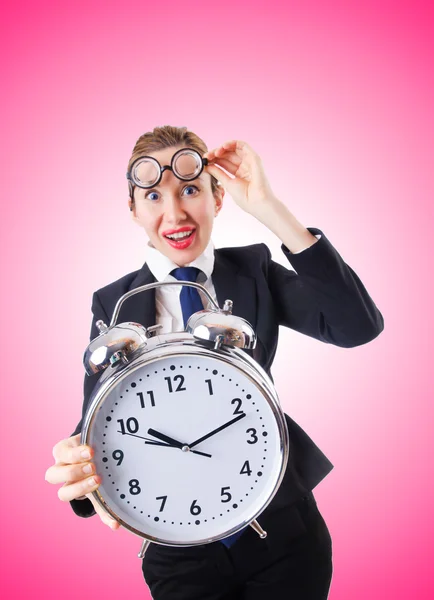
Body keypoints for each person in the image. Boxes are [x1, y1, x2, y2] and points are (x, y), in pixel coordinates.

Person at [45, 125, 384, 599]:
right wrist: (75, 464)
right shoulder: (113, 303)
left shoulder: (254, 271)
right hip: (176, 545)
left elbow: (356, 325)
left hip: (282, 528)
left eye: (189, 190)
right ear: (133, 210)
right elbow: (100, 416)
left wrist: (270, 208)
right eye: (153, 197)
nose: (175, 213)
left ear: (218, 197)